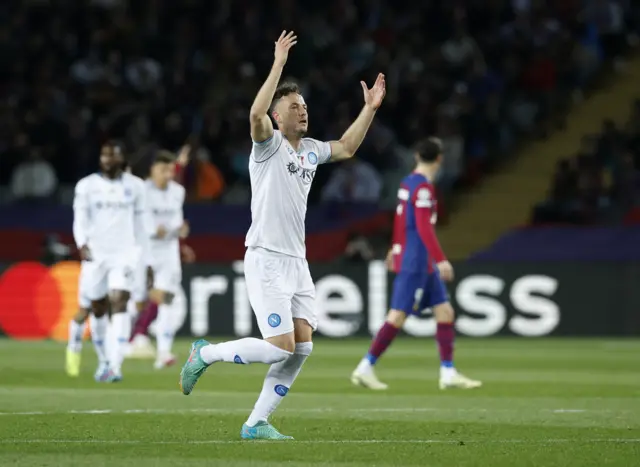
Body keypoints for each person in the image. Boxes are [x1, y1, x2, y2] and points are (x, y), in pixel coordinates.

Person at [179, 30, 386, 440]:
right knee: (279, 347)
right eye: (294, 106)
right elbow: (255, 115)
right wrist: (278, 65)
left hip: (296, 261)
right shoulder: (268, 144)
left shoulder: (309, 149)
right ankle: (205, 353)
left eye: (305, 105)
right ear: (279, 116)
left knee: (303, 346)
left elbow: (345, 147)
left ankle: (256, 422)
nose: (303, 110)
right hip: (266, 256)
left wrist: (370, 109)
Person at [351, 137, 482, 390]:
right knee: (397, 316)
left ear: (416, 157)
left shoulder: (407, 183)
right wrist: (441, 260)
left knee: (445, 312)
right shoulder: (423, 188)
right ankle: (365, 367)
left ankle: (448, 373)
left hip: (417, 258)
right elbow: (423, 227)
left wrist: (395, 247)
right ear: (440, 159)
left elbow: (401, 219)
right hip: (417, 261)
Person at [72, 141, 150, 382]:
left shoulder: (136, 187)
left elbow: (141, 225)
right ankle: (104, 360)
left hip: (124, 253)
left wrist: (144, 259)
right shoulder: (87, 186)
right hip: (96, 254)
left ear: (121, 159)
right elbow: (80, 218)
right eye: (104, 156)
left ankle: (115, 365)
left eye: (112, 156)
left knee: (120, 300)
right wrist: (82, 243)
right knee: (98, 307)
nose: (107, 160)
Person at [141, 150, 188, 369]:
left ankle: (163, 351)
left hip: (168, 255)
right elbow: (150, 228)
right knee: (137, 299)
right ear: (152, 170)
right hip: (145, 253)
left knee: (168, 299)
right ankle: (127, 342)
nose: (167, 175)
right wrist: (169, 230)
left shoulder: (178, 192)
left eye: (170, 170)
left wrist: (180, 233)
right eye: (162, 170)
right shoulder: (141, 191)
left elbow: (176, 225)